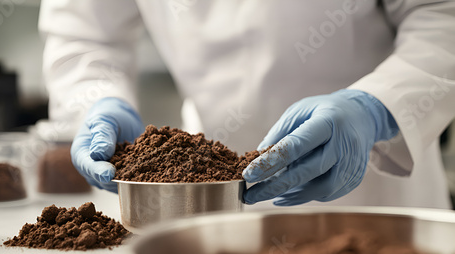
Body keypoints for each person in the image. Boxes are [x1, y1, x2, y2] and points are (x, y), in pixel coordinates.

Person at [38, 0, 455, 209]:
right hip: (205, 196)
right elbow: (85, 33)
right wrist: (98, 101)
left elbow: (440, 13)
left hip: (377, 194)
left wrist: (376, 106)